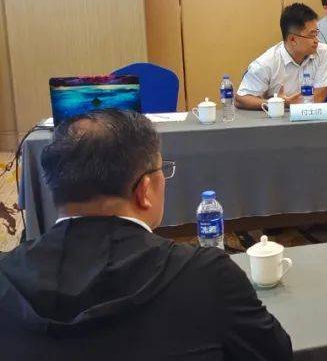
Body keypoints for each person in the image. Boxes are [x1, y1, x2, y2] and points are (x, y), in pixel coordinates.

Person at [0, 110, 292, 360]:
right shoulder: (208, 277)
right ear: (144, 190)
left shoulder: (7, 276)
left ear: (55, 189)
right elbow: (275, 354)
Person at [236, 3, 327, 109]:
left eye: (316, 33)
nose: (317, 40)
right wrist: (276, 104)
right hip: (278, 116)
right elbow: (240, 99)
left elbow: (320, 94)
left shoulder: (323, 52)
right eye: (311, 35)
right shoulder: (266, 62)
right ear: (292, 39)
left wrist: (293, 107)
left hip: (311, 115)